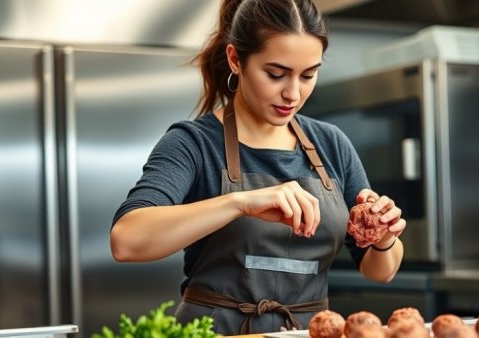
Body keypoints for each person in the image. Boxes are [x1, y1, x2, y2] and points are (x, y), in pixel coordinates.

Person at [110, 0, 406, 335]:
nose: (293, 93)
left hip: (307, 332)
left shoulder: (331, 144)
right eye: (276, 74)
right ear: (236, 59)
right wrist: (241, 202)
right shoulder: (194, 142)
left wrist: (383, 238)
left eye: (308, 75)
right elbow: (127, 240)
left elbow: (380, 271)